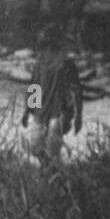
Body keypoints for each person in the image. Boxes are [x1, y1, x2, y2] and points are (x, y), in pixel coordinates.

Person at [21, 37, 83, 165]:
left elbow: (34, 86)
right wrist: (78, 116)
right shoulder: (64, 62)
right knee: (49, 152)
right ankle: (51, 174)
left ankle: (48, 173)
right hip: (56, 112)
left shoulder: (43, 61)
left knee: (40, 150)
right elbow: (76, 90)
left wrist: (27, 112)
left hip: (45, 111)